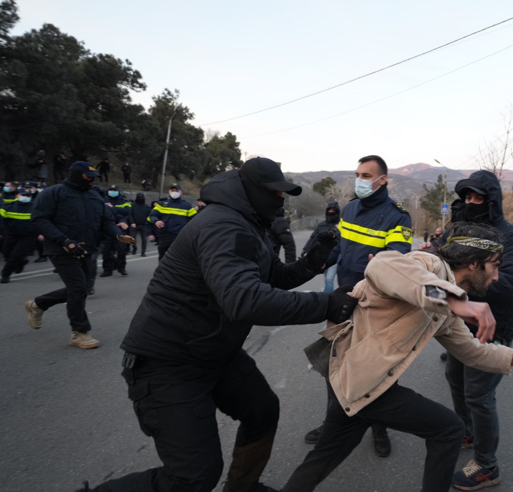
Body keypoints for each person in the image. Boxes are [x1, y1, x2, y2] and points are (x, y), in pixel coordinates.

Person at [76, 157, 353, 492]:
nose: (280, 200)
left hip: (213, 352)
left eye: (284, 195)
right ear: (250, 189)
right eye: (275, 193)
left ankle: (243, 487)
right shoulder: (223, 225)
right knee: (192, 476)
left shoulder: (249, 224)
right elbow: (245, 300)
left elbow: (274, 277)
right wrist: (328, 304)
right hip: (167, 361)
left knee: (262, 411)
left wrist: (313, 260)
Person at [281, 223, 513, 492]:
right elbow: (382, 265)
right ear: (475, 263)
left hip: (353, 378)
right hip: (360, 377)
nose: (497, 276)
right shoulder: (429, 265)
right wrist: (456, 301)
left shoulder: (447, 304)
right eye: (495, 265)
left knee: (324, 455)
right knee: (449, 430)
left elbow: (472, 351)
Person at [304, 155, 412, 457]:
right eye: (358, 174)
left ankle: (379, 426)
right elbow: (341, 244)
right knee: (334, 364)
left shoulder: (397, 216)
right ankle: (332, 423)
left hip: (376, 304)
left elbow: (397, 255)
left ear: (382, 180)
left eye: (366, 175)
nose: (360, 180)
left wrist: (381, 263)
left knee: (377, 368)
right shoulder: (350, 208)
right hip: (342, 298)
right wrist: (324, 259)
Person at [439, 170, 513, 490]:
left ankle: (487, 465)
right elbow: (439, 263)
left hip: (494, 325)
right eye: (466, 197)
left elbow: (507, 285)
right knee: (454, 378)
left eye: (477, 197)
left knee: (479, 394)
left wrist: (465, 281)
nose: (471, 202)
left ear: (491, 200)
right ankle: (467, 431)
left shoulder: (509, 236)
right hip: (460, 323)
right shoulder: (459, 229)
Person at [24, 161, 135, 349]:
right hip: (62, 249)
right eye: (87, 176)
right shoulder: (53, 193)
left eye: (93, 177)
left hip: (87, 248)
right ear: (75, 174)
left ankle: (38, 304)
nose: (92, 180)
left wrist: (118, 234)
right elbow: (39, 219)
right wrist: (64, 241)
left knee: (79, 288)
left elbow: (106, 220)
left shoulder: (95, 196)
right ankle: (79, 332)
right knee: (78, 287)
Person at [148, 182, 197, 260]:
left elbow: (195, 220)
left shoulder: (187, 206)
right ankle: (162, 272)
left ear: (181, 192)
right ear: (169, 192)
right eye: (172, 190)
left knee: (177, 259)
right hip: (164, 236)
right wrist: (156, 221)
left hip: (179, 237)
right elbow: (152, 215)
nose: (174, 192)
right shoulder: (162, 204)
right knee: (162, 258)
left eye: (176, 190)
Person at [1, 187, 39, 283]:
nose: (25, 197)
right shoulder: (9, 206)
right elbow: (1, 220)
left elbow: (40, 221)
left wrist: (40, 233)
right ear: (17, 195)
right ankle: (20, 262)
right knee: (6, 253)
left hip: (28, 236)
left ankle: (5, 274)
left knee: (15, 255)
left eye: (28, 195)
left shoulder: (35, 207)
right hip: (11, 234)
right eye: (23, 195)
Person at [302, 201, 340, 293]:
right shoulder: (322, 225)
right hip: (323, 257)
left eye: (333, 210)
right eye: (329, 210)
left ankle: (327, 300)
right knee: (326, 278)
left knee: (329, 279)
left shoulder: (341, 225)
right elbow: (313, 238)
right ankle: (329, 295)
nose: (331, 212)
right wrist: (305, 249)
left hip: (334, 256)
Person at [100, 185, 131, 277]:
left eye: (114, 190)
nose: (112, 191)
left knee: (121, 249)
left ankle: (121, 267)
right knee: (106, 251)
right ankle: (107, 269)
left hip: (121, 227)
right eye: (111, 190)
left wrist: (111, 207)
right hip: (107, 229)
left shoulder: (124, 201)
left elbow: (127, 211)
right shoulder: (103, 200)